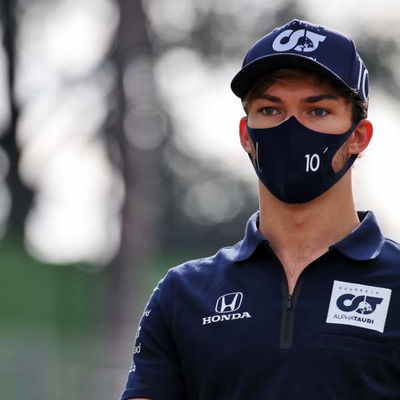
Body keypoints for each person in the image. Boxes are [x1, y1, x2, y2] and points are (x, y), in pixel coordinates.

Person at [121, 19, 400, 400]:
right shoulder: (184, 294)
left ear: (358, 136)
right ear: (245, 135)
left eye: (317, 111)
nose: (291, 128)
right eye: (271, 110)